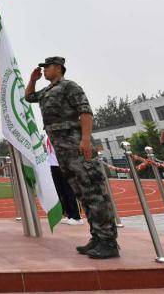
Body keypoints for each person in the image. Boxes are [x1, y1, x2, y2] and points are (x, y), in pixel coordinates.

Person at [26, 56, 119, 259]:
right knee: (82, 194)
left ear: (58, 68)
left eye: (47, 67)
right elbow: (29, 97)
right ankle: (97, 237)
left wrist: (85, 140)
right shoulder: (48, 90)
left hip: (77, 145)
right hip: (63, 150)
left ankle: (109, 241)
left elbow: (85, 112)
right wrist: (33, 79)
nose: (45, 71)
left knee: (94, 192)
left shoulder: (69, 86)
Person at [47, 136, 83, 225]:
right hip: (54, 165)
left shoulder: (60, 135)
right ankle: (69, 215)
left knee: (69, 191)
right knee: (61, 191)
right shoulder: (47, 137)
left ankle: (77, 217)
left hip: (64, 164)